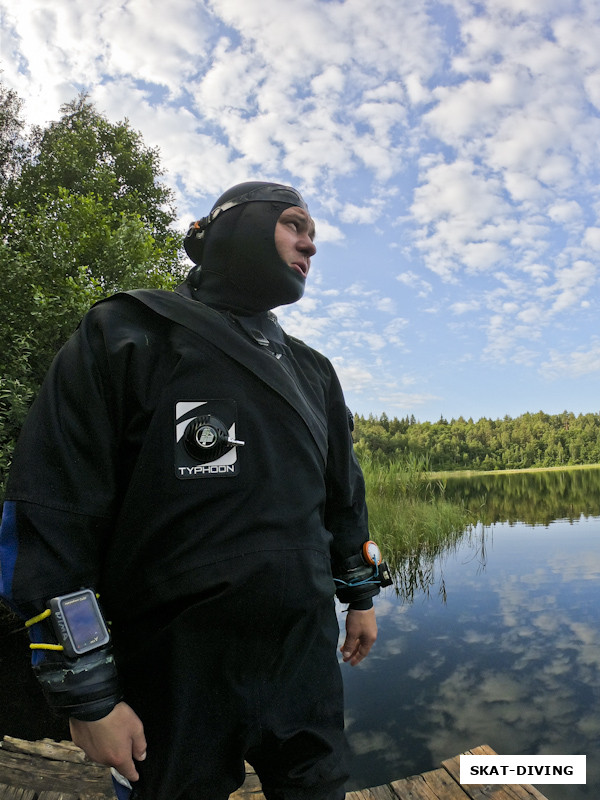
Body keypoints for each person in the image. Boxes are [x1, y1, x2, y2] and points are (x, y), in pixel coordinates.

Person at [0, 181, 389, 800]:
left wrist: (360, 595)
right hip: (174, 672)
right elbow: (52, 513)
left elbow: (344, 494)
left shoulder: (313, 371)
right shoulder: (127, 331)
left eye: (312, 232)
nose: (311, 243)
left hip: (303, 660)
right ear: (228, 228)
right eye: (293, 224)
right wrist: (88, 693)